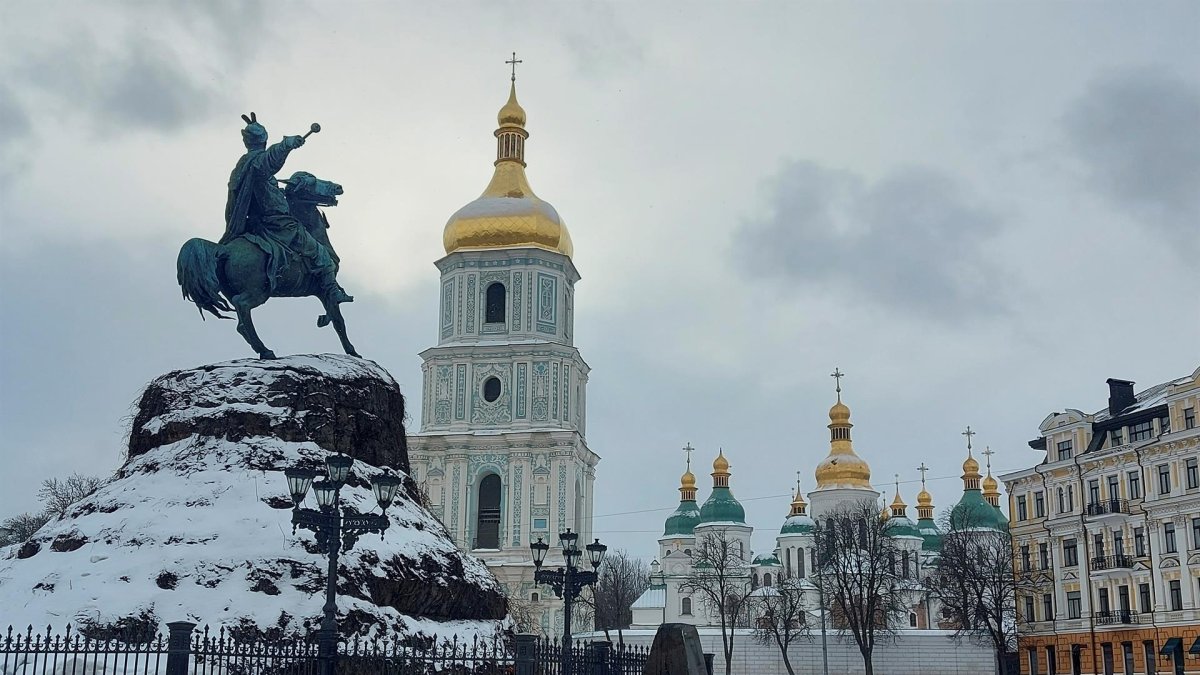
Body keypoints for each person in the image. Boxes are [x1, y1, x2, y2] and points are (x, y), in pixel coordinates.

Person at [223, 113, 352, 304]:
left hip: (257, 222)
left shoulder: (242, 166)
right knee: (321, 254)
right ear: (264, 139)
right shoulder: (257, 161)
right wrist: (287, 144)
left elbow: (264, 190)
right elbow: (269, 160)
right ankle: (332, 291)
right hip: (278, 223)